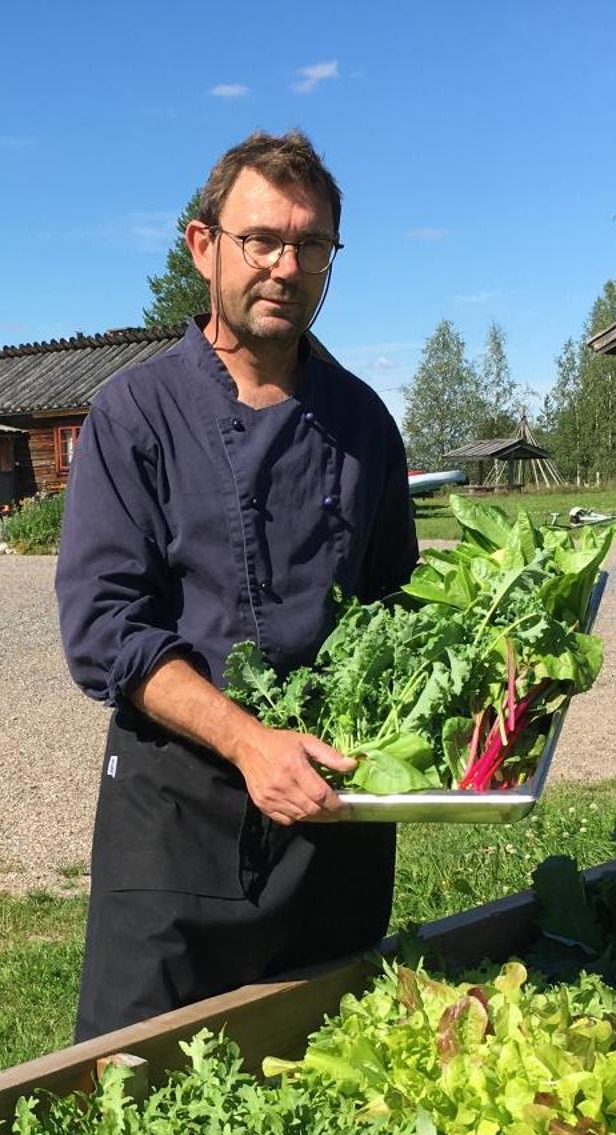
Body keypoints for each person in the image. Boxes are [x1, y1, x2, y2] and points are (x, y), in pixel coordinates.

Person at [54, 130, 419, 1043]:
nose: (285, 266)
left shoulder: (364, 423)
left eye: (312, 245)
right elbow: (104, 631)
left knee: (322, 1085)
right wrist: (250, 743)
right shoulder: (135, 414)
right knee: (134, 1094)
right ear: (202, 245)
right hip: (177, 814)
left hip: (331, 826)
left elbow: (396, 608)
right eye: (262, 239)